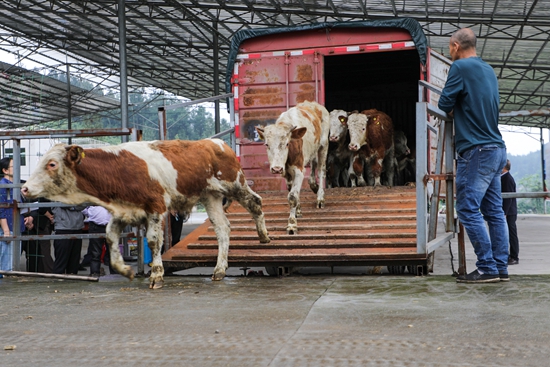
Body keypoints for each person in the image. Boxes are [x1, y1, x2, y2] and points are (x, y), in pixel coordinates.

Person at [438, 28, 509, 283]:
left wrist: (455, 106)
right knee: (494, 212)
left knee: (467, 209)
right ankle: (501, 268)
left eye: (449, 47)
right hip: (497, 149)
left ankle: (487, 268)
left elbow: (443, 104)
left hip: (477, 150)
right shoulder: (488, 69)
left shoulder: (460, 69)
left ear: (456, 46)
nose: (449, 51)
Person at [0, 158, 33, 278]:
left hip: (16, 227)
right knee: (7, 266)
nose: (18, 168)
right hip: (8, 228)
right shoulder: (3, 186)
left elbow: (21, 207)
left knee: (13, 263)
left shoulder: (17, 186)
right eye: (14, 166)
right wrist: (6, 231)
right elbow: (1, 210)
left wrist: (28, 217)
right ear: (5, 170)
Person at [82, 206, 116, 277]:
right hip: (95, 225)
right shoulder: (93, 194)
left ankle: (115, 275)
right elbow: (83, 205)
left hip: (111, 225)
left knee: (113, 252)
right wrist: (91, 213)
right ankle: (95, 274)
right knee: (95, 253)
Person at [52, 204, 86, 275]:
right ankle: (57, 282)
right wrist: (78, 204)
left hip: (78, 227)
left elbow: (85, 202)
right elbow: (64, 203)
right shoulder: (57, 192)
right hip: (63, 228)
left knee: (74, 261)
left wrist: (73, 206)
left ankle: (72, 282)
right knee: (61, 261)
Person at [501, 159, 519, 265]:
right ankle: (509, 255)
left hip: (509, 211)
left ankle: (514, 256)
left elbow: (508, 198)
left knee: (512, 234)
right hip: (508, 211)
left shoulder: (507, 179)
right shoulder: (504, 177)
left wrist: (505, 212)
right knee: (507, 234)